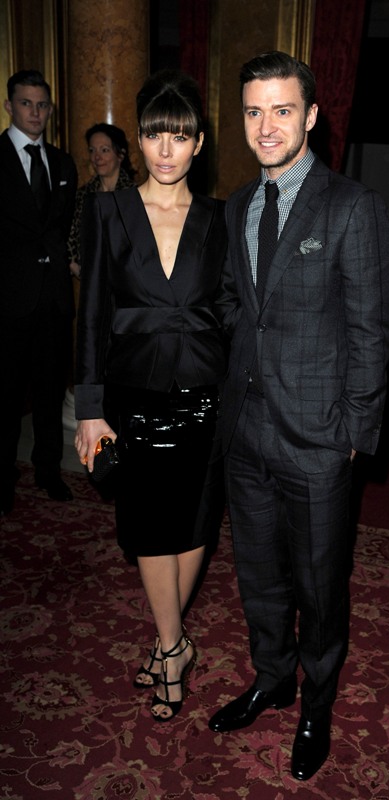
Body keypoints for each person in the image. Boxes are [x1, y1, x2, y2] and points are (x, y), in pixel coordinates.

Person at [208, 51, 389, 781]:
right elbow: (234, 301)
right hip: (246, 430)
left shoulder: (351, 206)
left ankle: (316, 702)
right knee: (259, 575)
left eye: (282, 110)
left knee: (319, 586)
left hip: (318, 438)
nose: (266, 126)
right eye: (253, 111)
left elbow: (372, 332)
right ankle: (273, 677)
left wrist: (349, 436)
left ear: (312, 116)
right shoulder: (236, 206)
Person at [74, 69, 228, 722]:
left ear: (199, 143)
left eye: (180, 136)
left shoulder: (220, 218)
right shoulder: (106, 211)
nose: (167, 150)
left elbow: (232, 309)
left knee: (192, 522)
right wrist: (89, 408)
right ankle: (173, 645)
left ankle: (169, 645)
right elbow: (91, 313)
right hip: (132, 393)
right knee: (145, 527)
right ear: (138, 141)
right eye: (155, 135)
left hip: (203, 391)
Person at [0, 69, 78, 515]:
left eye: (42, 104)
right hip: (8, 300)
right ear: (10, 106)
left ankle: (49, 471)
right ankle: (2, 479)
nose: (35, 112)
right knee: (6, 396)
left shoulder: (63, 163)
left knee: (49, 392)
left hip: (53, 299)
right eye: (26, 103)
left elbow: (59, 229)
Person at [68, 122, 137, 279]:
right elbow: (69, 235)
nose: (97, 157)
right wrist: (75, 266)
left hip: (127, 283)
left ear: (120, 154)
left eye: (104, 150)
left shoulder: (135, 196)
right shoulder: (82, 195)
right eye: (92, 150)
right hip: (90, 281)